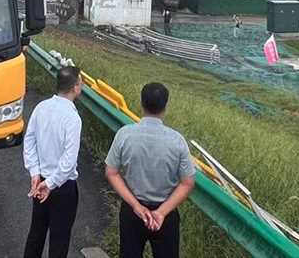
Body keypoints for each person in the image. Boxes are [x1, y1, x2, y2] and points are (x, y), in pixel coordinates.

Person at [105, 82, 196, 258]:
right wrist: (161, 212)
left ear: (142, 103)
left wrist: (135, 205)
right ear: (165, 106)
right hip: (166, 213)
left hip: (133, 211)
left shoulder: (125, 134)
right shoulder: (177, 141)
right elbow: (187, 182)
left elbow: (111, 172)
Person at [23, 66, 83, 258]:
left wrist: (35, 173)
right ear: (75, 87)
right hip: (63, 187)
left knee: (36, 234)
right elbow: (68, 161)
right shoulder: (73, 118)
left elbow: (29, 141)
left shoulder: (41, 107)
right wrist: (49, 184)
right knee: (59, 239)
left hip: (39, 181)